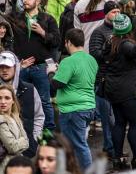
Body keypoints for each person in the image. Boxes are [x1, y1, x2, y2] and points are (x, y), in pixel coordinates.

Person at [104, 14, 136, 170]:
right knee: (135, 125)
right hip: (130, 92)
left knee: (119, 124)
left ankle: (118, 158)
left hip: (114, 90)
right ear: (128, 29)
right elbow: (135, 51)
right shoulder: (124, 44)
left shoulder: (110, 42)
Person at [46, 29, 96, 170]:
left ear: (68, 42)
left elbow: (57, 84)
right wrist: (60, 70)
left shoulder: (68, 61)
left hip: (73, 110)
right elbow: (79, 78)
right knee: (75, 143)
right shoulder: (91, 59)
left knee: (78, 144)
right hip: (88, 107)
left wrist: (50, 72)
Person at [10, 0, 59, 130]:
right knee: (20, 100)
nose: (25, 0)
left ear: (37, 1)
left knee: (44, 100)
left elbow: (56, 41)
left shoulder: (48, 19)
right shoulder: (16, 18)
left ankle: (48, 131)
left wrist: (42, 32)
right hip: (22, 67)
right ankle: (23, 129)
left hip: (41, 67)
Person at [88, 0, 120, 155]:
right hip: (103, 79)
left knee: (117, 118)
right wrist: (109, 51)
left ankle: (115, 147)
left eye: (119, 12)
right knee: (108, 119)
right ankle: (110, 147)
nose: (117, 15)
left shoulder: (122, 30)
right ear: (106, 14)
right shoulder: (98, 32)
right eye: (114, 12)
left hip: (118, 78)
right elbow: (94, 53)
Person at [0, 51, 43, 158]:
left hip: (27, 151)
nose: (4, 70)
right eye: (1, 67)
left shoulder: (30, 89)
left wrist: (34, 138)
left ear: (16, 68)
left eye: (8, 67)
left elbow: (39, 116)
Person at [0, 85, 28, 173]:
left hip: (18, 164)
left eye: (7, 98)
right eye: (0, 98)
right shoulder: (0, 120)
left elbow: (27, 142)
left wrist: (22, 142)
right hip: (4, 166)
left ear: (13, 101)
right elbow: (12, 147)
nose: (3, 102)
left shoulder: (16, 118)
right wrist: (23, 141)